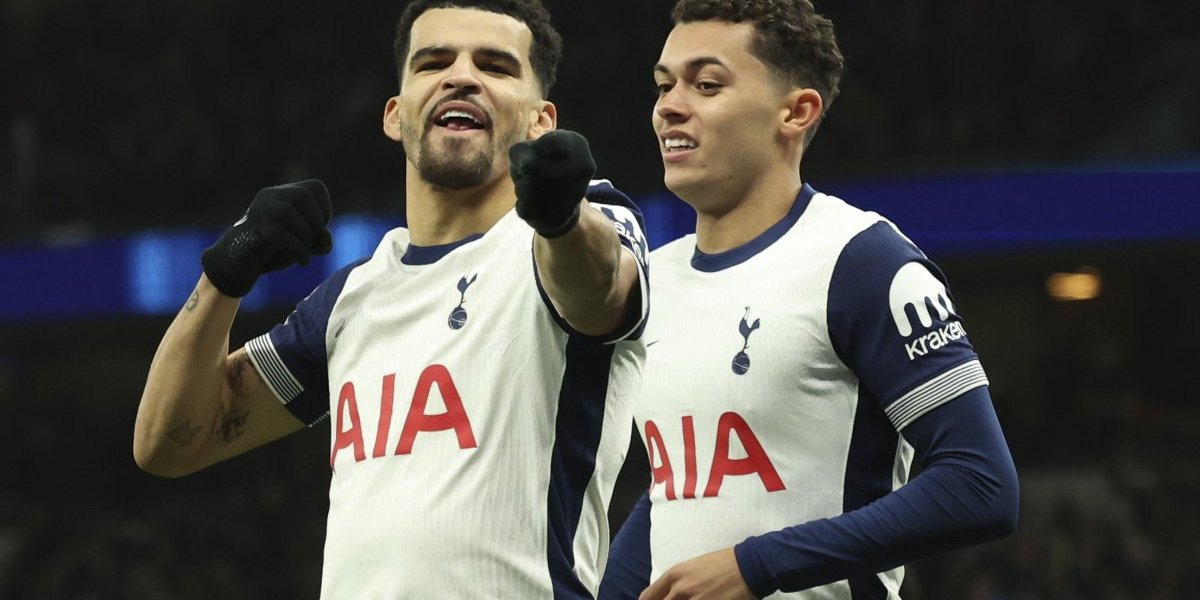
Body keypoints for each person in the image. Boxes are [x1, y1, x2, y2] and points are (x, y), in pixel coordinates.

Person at [133, 1, 650, 598]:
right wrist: (223, 275)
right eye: (433, 62)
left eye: (495, 66)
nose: (461, 76)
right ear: (395, 114)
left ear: (542, 121)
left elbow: (597, 290)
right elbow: (169, 443)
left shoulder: (577, 230)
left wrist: (562, 219)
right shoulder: (352, 298)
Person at [600, 0, 1019, 598]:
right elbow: (678, 490)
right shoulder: (654, 280)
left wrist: (758, 565)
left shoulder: (862, 260)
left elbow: (980, 484)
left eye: (706, 84)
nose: (669, 105)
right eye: (664, 85)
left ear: (796, 112)